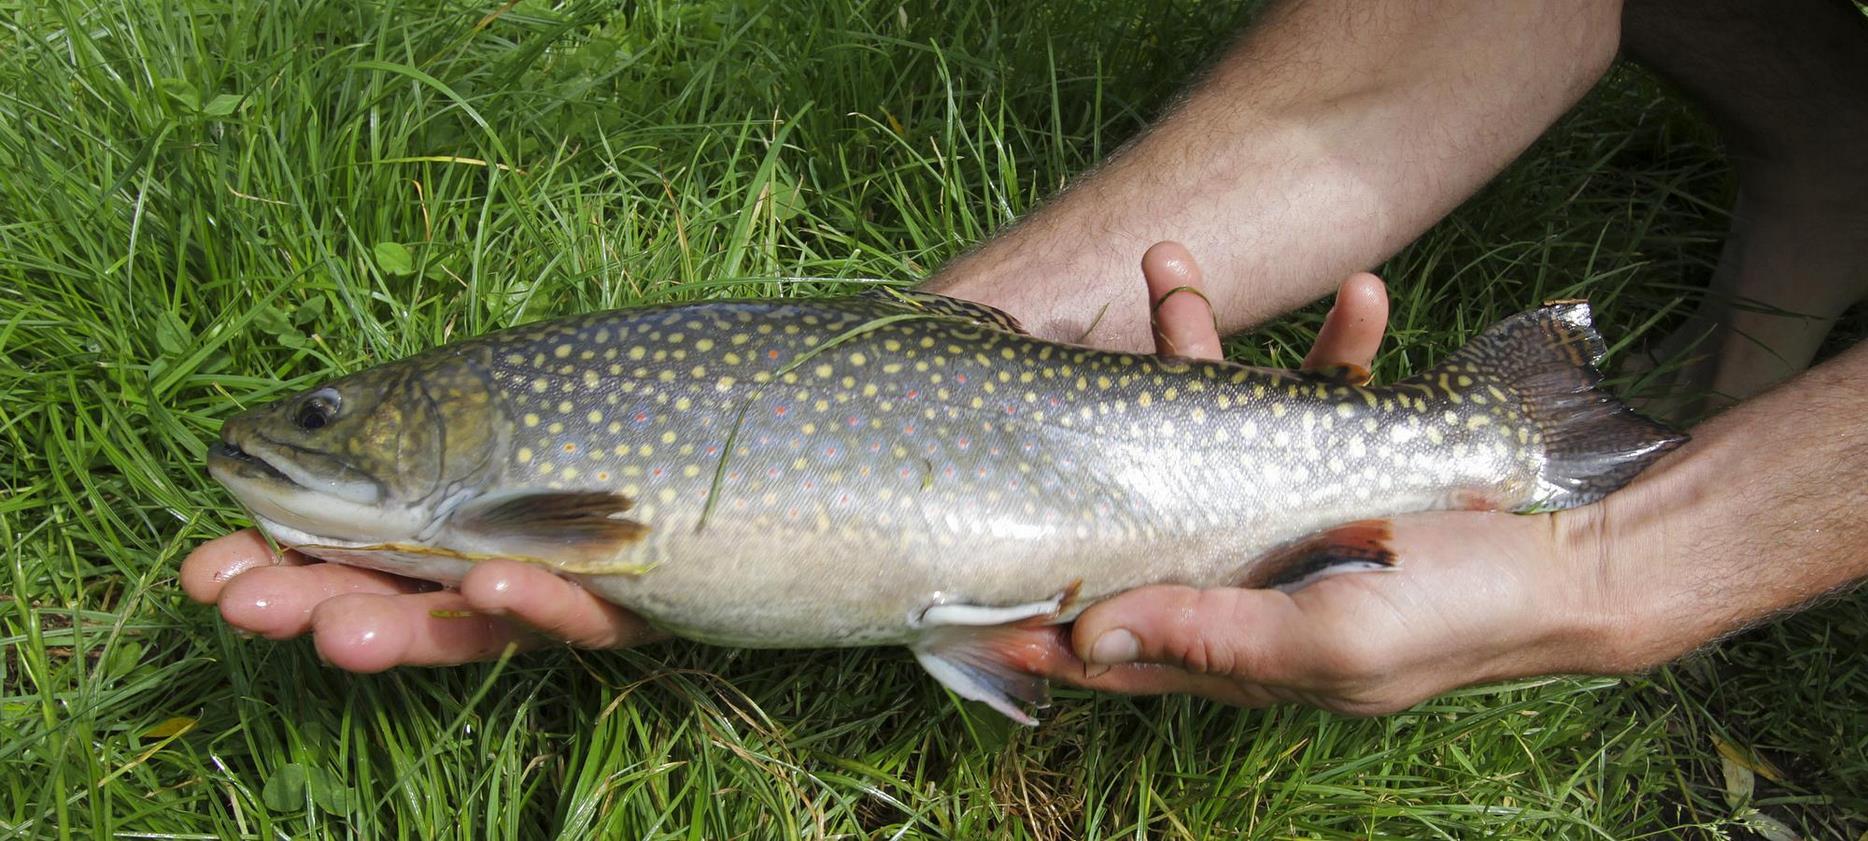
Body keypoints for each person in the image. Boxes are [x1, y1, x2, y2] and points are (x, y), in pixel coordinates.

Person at [181, 0, 1868, 715]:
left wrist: (1629, 567)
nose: (302, 431)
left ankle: (1588, 445)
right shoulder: (509, 463)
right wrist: (1001, 316)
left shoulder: (506, 479)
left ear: (445, 422)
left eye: (332, 417)